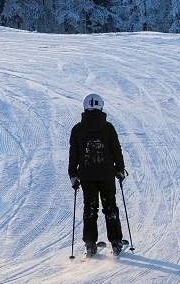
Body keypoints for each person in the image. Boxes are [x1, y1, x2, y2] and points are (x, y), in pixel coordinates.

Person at [68, 93, 127, 256]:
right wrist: (120, 169)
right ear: (100, 106)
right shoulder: (108, 128)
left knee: (90, 208)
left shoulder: (77, 129)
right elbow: (116, 149)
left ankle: (90, 244)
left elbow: (74, 153)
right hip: (106, 174)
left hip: (86, 176)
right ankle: (115, 242)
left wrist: (73, 174)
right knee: (110, 207)